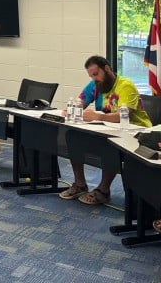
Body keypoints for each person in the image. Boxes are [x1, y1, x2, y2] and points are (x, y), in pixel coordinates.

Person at [59, 55, 151, 205]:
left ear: (107, 69)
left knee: (110, 144)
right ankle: (80, 184)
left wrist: (97, 117)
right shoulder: (95, 85)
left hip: (136, 134)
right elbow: (81, 102)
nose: (94, 79)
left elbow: (125, 115)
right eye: (91, 76)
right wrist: (72, 109)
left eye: (96, 74)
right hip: (108, 130)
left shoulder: (125, 85)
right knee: (73, 136)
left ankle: (103, 190)